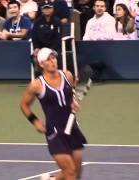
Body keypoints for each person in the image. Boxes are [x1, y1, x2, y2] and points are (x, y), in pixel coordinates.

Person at [20, 47, 87, 180]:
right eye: (48, 59)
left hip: (72, 127)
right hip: (54, 132)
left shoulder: (67, 75)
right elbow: (24, 105)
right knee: (69, 171)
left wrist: (74, 101)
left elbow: (71, 93)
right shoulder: (36, 85)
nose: (53, 61)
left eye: (54, 58)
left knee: (77, 170)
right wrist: (36, 122)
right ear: (41, 64)